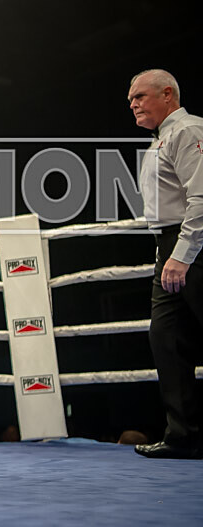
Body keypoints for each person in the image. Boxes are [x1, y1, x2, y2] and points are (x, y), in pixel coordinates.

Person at [127, 69, 203, 460]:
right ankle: (183, 435)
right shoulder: (160, 141)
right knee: (166, 339)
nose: (133, 104)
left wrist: (182, 254)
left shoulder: (188, 130)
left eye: (140, 96)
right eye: (131, 100)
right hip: (168, 248)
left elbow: (202, 199)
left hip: (192, 247)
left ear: (167, 94)